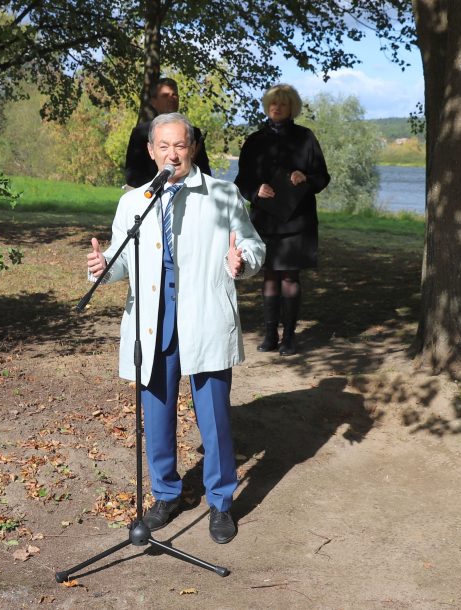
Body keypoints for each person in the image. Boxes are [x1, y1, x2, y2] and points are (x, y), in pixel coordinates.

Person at [87, 113, 264, 544]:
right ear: (151, 151)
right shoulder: (135, 201)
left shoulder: (223, 195)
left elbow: (254, 245)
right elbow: (121, 258)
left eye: (180, 146)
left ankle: (221, 502)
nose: (172, 154)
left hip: (204, 319)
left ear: (193, 149)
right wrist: (102, 267)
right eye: (163, 146)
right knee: (157, 416)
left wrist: (242, 262)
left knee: (215, 418)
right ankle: (166, 494)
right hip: (154, 321)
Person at [234, 84, 329, 356]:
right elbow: (241, 182)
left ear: (292, 109)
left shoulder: (306, 138)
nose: (277, 108)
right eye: (273, 104)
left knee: (290, 275)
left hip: (297, 221)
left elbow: (322, 177)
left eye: (283, 104)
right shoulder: (254, 141)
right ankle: (270, 334)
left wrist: (306, 178)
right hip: (265, 220)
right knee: (270, 276)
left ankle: (289, 337)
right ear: (267, 107)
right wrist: (256, 190)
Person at [124, 77, 212, 188]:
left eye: (174, 95)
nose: (171, 98)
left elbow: (205, 172)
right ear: (153, 102)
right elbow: (132, 176)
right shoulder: (140, 133)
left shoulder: (194, 133)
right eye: (165, 95)